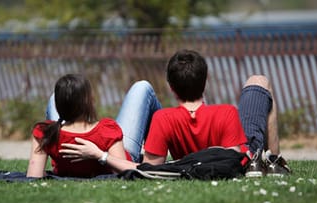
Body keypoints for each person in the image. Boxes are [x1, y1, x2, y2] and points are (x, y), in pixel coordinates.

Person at [56, 50, 292, 177]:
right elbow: (237, 156)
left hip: (185, 159)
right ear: (205, 82)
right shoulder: (228, 113)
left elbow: (147, 168)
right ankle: (273, 159)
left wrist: (102, 155)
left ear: (170, 87)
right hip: (236, 154)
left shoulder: (163, 119)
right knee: (259, 81)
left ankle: (272, 159)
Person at [27, 74, 161, 178]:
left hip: (61, 136)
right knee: (142, 87)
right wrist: (100, 155)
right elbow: (122, 171)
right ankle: (154, 157)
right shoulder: (106, 130)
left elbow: (33, 176)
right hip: (118, 157)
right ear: (90, 101)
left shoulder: (44, 133)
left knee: (63, 93)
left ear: (58, 106)